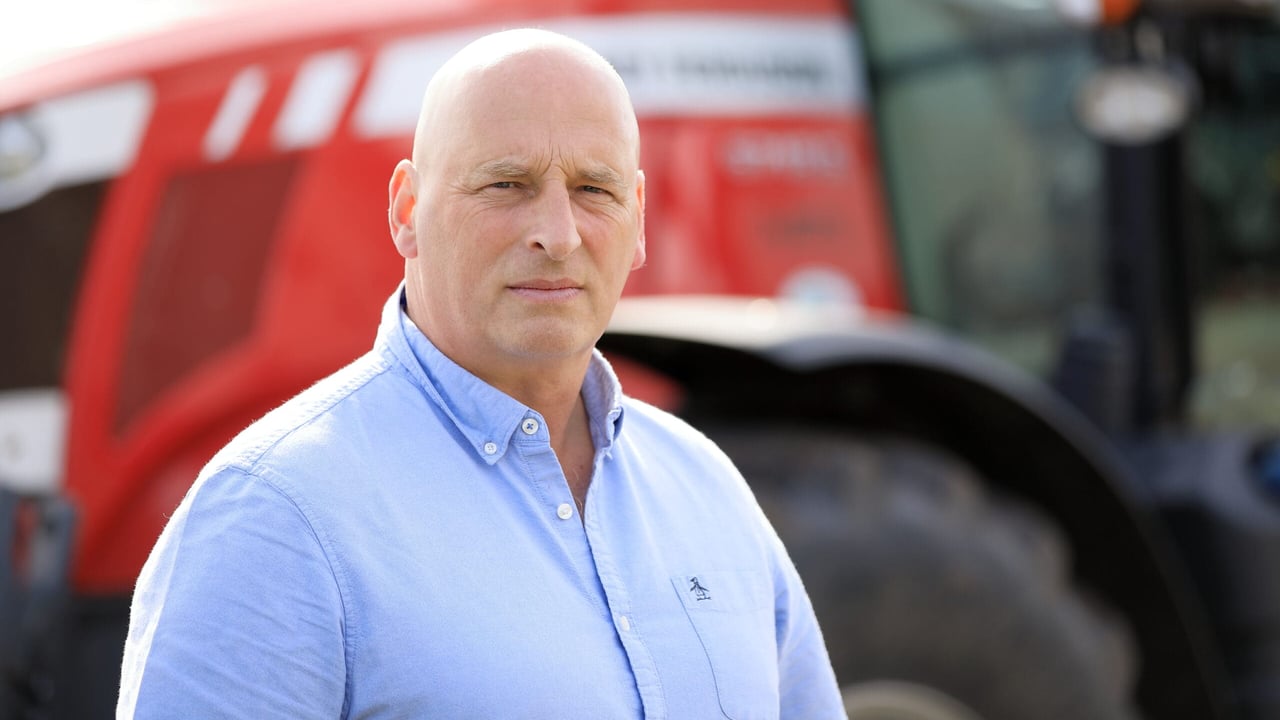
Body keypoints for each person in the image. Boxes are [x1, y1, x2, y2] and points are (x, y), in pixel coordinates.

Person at [117, 28, 844, 719]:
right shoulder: (275, 519)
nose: (558, 236)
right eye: (506, 185)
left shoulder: (707, 490)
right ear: (406, 210)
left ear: (640, 218)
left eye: (595, 189)